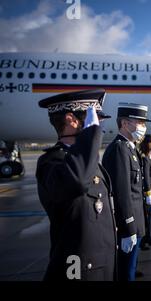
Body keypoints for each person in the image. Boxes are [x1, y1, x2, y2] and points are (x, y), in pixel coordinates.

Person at [36, 89, 117, 281]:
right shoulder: (52, 162)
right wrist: (90, 136)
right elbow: (77, 182)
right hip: (77, 269)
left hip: (101, 265)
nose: (99, 125)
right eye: (94, 120)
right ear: (71, 120)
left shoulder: (84, 160)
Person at [102, 103, 151, 281]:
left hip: (135, 225)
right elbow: (122, 193)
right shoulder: (119, 149)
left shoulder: (129, 148)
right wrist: (128, 228)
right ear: (124, 123)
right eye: (139, 122)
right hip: (127, 226)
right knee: (125, 274)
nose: (143, 127)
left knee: (129, 269)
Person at [139, 134, 151, 250]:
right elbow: (146, 176)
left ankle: (148, 238)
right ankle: (143, 242)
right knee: (145, 217)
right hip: (147, 192)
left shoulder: (149, 157)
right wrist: (148, 192)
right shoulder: (145, 158)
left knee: (149, 216)